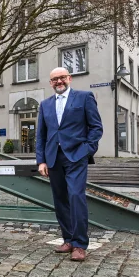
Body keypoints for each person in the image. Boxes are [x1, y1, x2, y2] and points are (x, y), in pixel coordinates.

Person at [36, 67, 103, 262]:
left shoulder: (84, 97)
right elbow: (41, 135)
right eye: (54, 79)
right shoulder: (45, 104)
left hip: (76, 156)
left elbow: (96, 127)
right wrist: (41, 160)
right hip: (53, 158)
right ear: (50, 83)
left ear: (69, 78)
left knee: (75, 196)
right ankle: (68, 239)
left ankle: (80, 244)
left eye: (62, 78)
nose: (59, 82)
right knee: (60, 200)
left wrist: (86, 150)